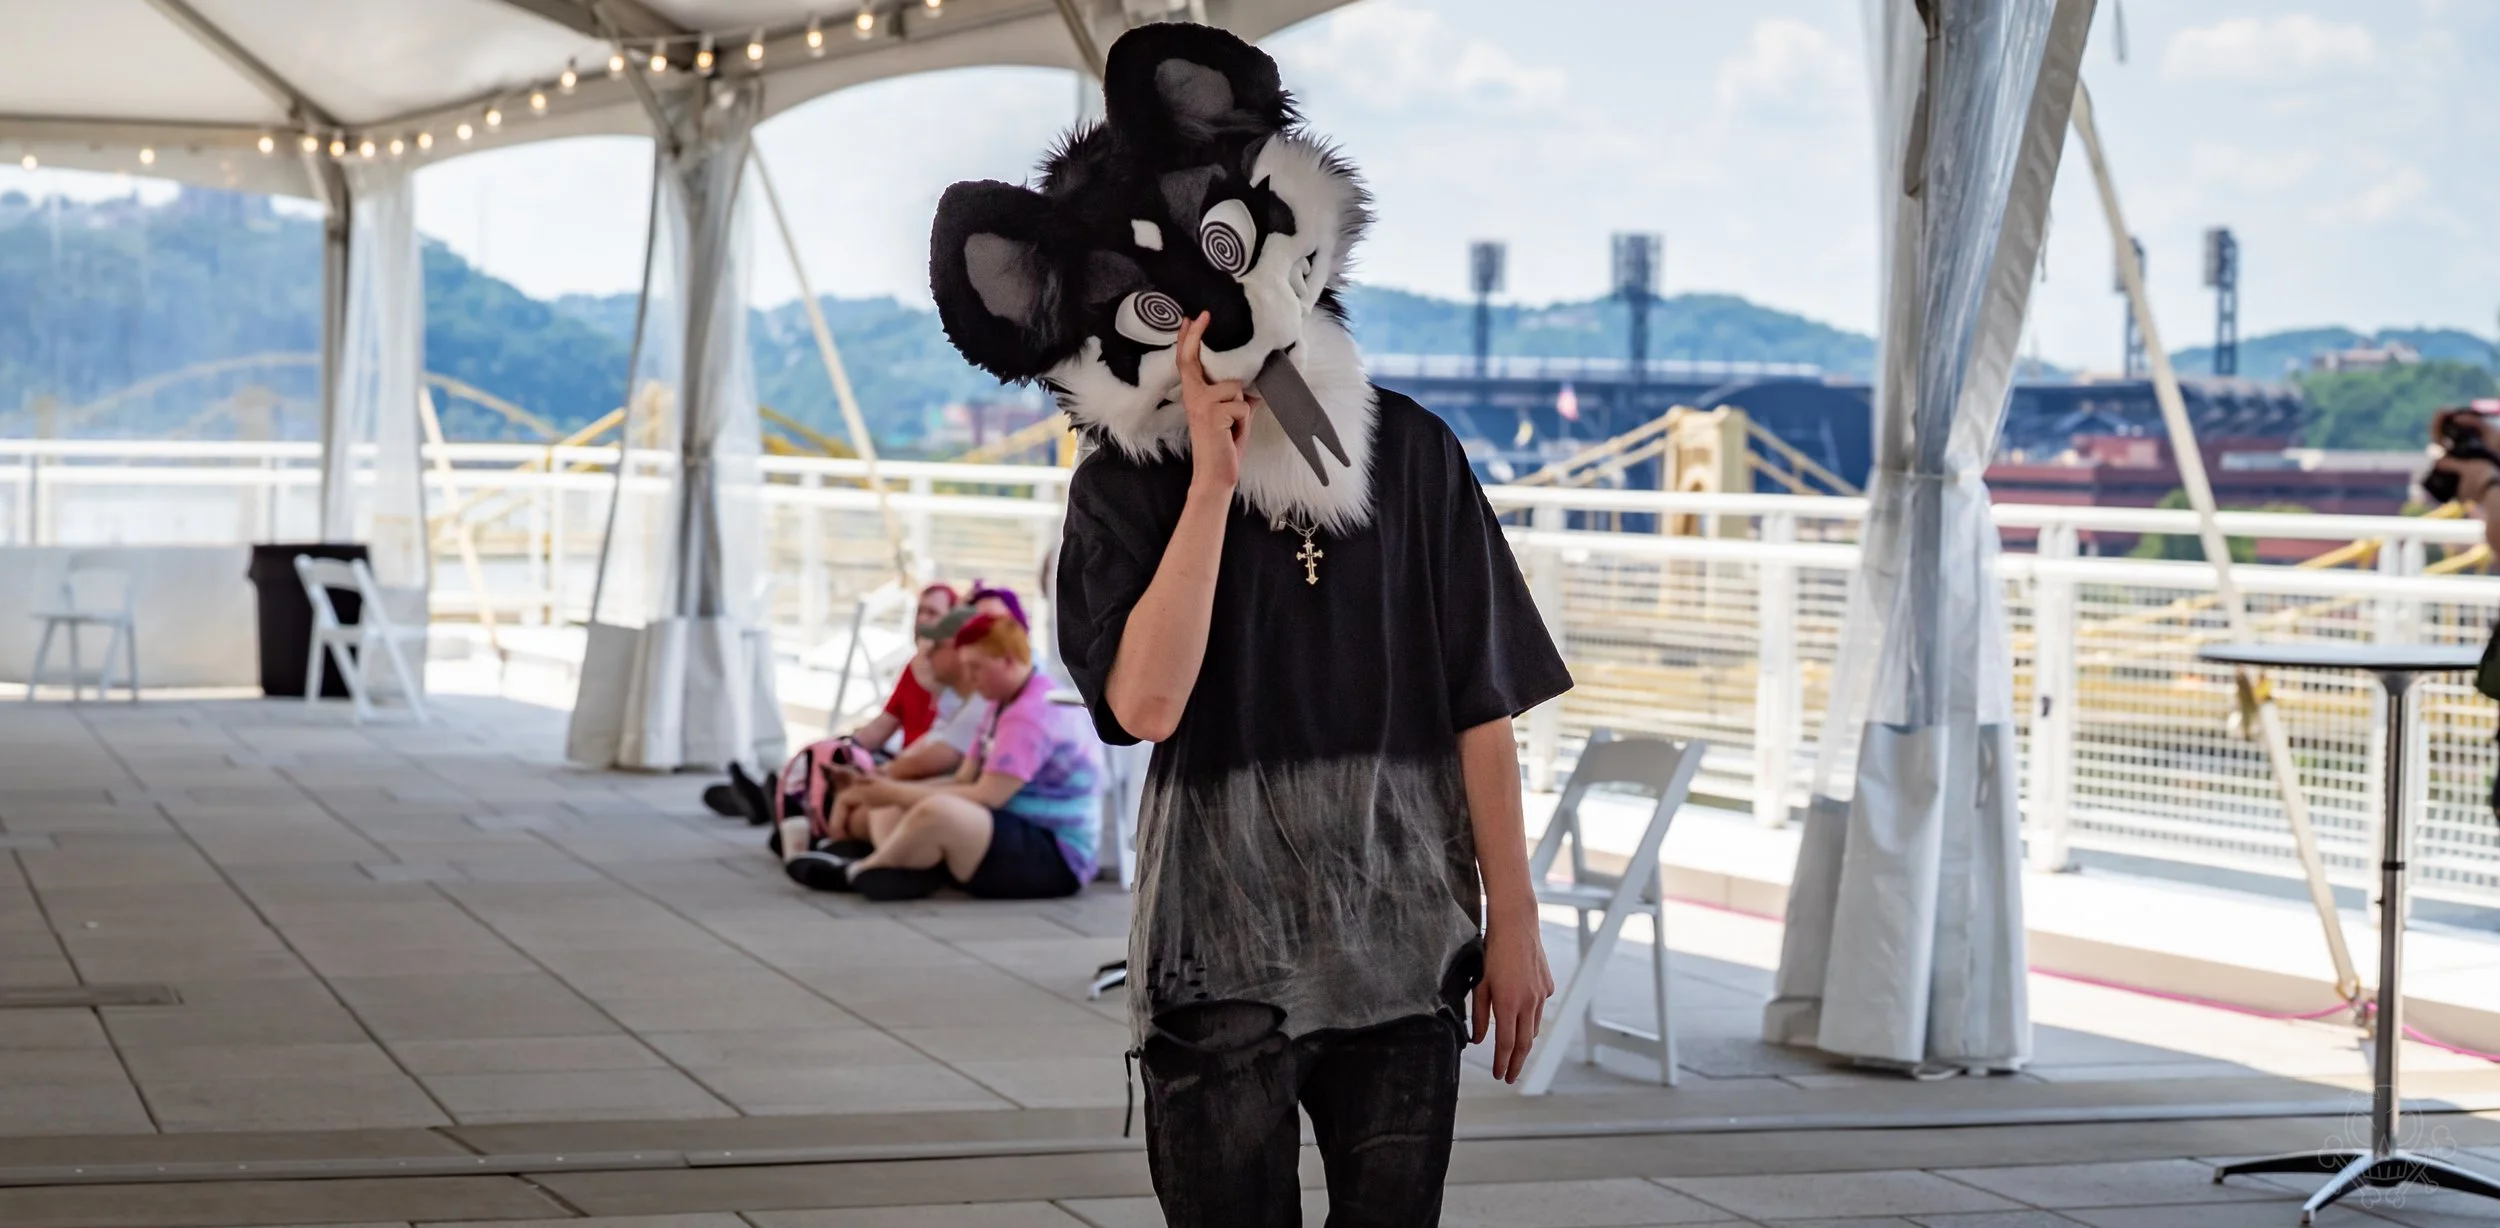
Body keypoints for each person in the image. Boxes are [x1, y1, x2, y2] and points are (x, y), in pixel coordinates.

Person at [927, 24, 1571, 1222]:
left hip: (1402, 942)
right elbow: (1147, 703)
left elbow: (1479, 702)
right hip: (1217, 962)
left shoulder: (1415, 453)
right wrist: (1213, 486)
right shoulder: (1123, 488)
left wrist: (1515, 922)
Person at [786, 613, 1101, 902]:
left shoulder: (1031, 714)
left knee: (934, 809)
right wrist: (886, 792)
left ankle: (860, 870)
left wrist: (890, 790)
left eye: (976, 667)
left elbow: (986, 795)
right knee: (900, 802)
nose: (970, 677)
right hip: (1012, 827)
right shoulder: (1002, 699)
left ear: (1007, 661)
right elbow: (963, 778)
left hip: (1056, 856)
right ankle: (902, 867)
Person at [708, 583, 959, 822]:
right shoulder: (912, 668)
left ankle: (769, 800)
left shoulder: (953, 676)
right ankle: (773, 795)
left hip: (917, 767)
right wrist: (842, 747)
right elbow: (882, 726)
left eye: (933, 613)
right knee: (833, 757)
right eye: (920, 611)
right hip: (902, 761)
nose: (923, 620)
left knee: (851, 775)